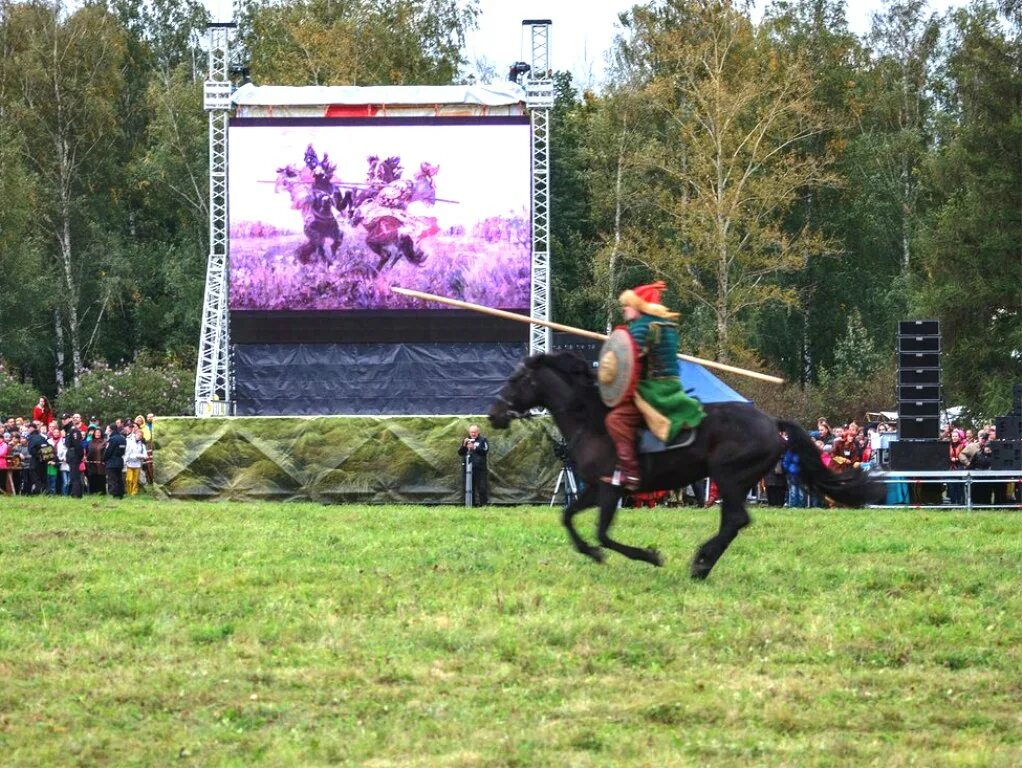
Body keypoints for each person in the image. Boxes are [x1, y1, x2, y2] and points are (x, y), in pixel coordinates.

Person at [601, 281, 705, 489]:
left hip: (654, 390)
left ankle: (629, 473)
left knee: (616, 419)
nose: (624, 309)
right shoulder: (663, 324)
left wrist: (611, 358)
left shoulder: (643, 326)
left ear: (640, 306)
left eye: (628, 305)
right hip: (670, 385)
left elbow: (629, 361)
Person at [457, 424, 489, 506]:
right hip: (467, 469)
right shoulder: (466, 440)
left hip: (480, 469)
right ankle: (471, 505)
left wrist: (474, 447)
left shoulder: (483, 440)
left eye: (475, 432)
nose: (473, 434)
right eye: (471, 432)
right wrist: (464, 445)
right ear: (469, 432)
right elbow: (460, 453)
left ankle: (484, 506)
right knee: (468, 487)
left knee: (482, 488)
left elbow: (485, 450)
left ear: (478, 432)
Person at [63, 414, 84, 498]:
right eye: (62, 419)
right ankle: (75, 493)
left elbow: (77, 445)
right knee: (73, 475)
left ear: (69, 419)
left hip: (74, 454)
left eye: (65, 419)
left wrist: (79, 456)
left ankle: (76, 494)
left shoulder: (73, 430)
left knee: (74, 476)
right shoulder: (68, 430)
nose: (63, 420)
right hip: (71, 454)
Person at [103, 424, 127, 499]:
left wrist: (104, 459)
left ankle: (114, 494)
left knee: (112, 479)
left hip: (112, 462)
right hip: (120, 460)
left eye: (107, 429)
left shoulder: (112, 439)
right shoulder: (123, 439)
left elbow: (108, 451)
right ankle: (121, 494)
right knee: (119, 478)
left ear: (110, 429)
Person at [124, 426, 147, 496]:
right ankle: (129, 492)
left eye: (140, 436)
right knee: (129, 479)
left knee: (135, 480)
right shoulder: (129, 442)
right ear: (135, 435)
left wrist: (138, 456)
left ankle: (134, 493)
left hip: (138, 464)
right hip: (129, 463)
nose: (139, 436)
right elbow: (126, 453)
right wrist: (125, 462)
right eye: (138, 435)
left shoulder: (142, 445)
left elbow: (145, 455)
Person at [86, 427, 107, 495]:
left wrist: (104, 460)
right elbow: (87, 451)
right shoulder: (90, 442)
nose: (97, 434)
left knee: (101, 478)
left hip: (101, 463)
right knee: (92, 477)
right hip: (91, 464)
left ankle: (102, 493)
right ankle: (92, 492)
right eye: (96, 432)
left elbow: (106, 452)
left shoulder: (104, 442)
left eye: (99, 432)